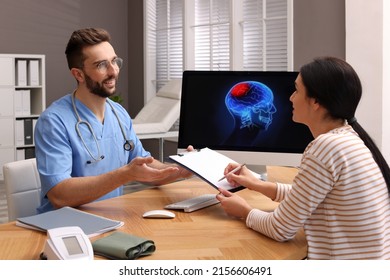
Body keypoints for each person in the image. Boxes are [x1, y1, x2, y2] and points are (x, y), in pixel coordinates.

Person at [216, 57, 390, 260]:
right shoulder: (349, 139)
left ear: (316, 101)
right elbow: (314, 193)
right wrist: (257, 184)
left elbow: (279, 229)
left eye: (297, 90)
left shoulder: (325, 148)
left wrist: (244, 211)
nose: (291, 98)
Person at [34, 27, 192, 213]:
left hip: (109, 218)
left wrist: (180, 169)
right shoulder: (54, 121)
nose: (113, 71)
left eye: (114, 61)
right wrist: (124, 175)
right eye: (101, 65)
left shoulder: (118, 114)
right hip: (64, 229)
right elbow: (59, 195)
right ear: (78, 74)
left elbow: (145, 166)